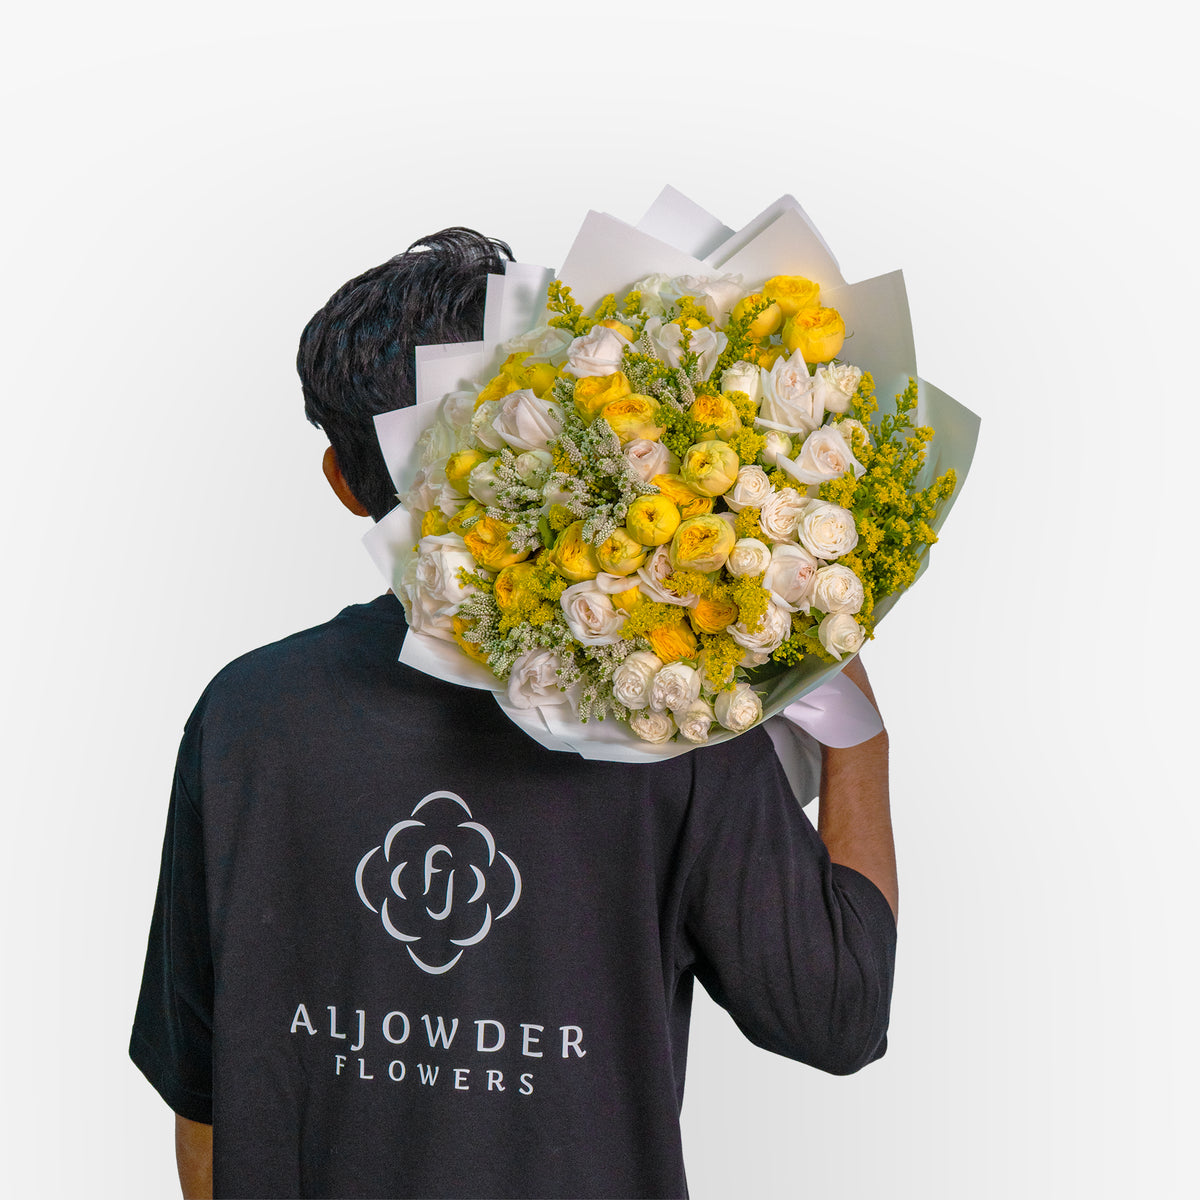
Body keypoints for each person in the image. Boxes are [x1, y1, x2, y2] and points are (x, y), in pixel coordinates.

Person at [130, 228, 899, 1200]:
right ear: (552, 407)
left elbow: (202, 1116)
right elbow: (839, 1010)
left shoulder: (243, 721)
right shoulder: (661, 717)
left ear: (343, 482)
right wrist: (851, 716)